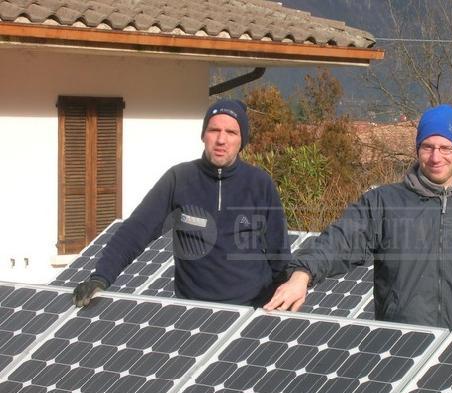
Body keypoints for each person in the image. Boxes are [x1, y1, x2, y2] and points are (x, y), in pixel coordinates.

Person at [265, 104, 452, 330]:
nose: (435, 157)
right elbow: (340, 240)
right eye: (427, 147)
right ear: (417, 148)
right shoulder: (384, 203)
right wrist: (303, 274)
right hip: (400, 340)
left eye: (445, 148)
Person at [73, 99, 290, 307]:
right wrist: (101, 277)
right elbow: (137, 229)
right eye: (214, 130)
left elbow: (278, 252)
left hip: (249, 310)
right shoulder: (179, 179)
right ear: (203, 135)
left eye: (231, 132)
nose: (221, 140)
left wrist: (280, 305)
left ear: (242, 140)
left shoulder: (259, 183)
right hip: (193, 312)